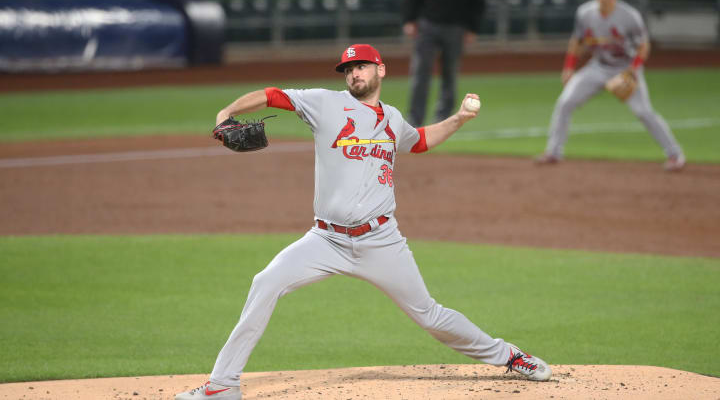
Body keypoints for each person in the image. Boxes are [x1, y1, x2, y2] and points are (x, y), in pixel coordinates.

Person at [175, 44, 551, 400]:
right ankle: (223, 385)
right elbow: (273, 95)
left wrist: (460, 119)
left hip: (381, 241)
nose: (354, 73)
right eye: (349, 68)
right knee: (265, 283)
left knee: (430, 314)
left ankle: (510, 356)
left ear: (379, 70)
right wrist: (227, 112)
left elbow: (417, 141)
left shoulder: (392, 118)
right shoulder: (325, 103)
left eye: (361, 66)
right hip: (325, 240)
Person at [536, 0, 685, 171]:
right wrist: (568, 68)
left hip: (626, 69)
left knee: (643, 111)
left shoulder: (630, 16)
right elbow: (577, 42)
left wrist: (633, 69)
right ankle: (554, 152)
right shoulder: (585, 13)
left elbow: (644, 46)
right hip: (597, 67)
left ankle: (675, 154)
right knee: (565, 102)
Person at [402, 0, 486, 127]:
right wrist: (409, 19)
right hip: (428, 23)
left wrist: (472, 28)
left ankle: (443, 119)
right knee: (420, 73)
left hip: (456, 26)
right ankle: (414, 120)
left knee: (450, 74)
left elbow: (478, 1)